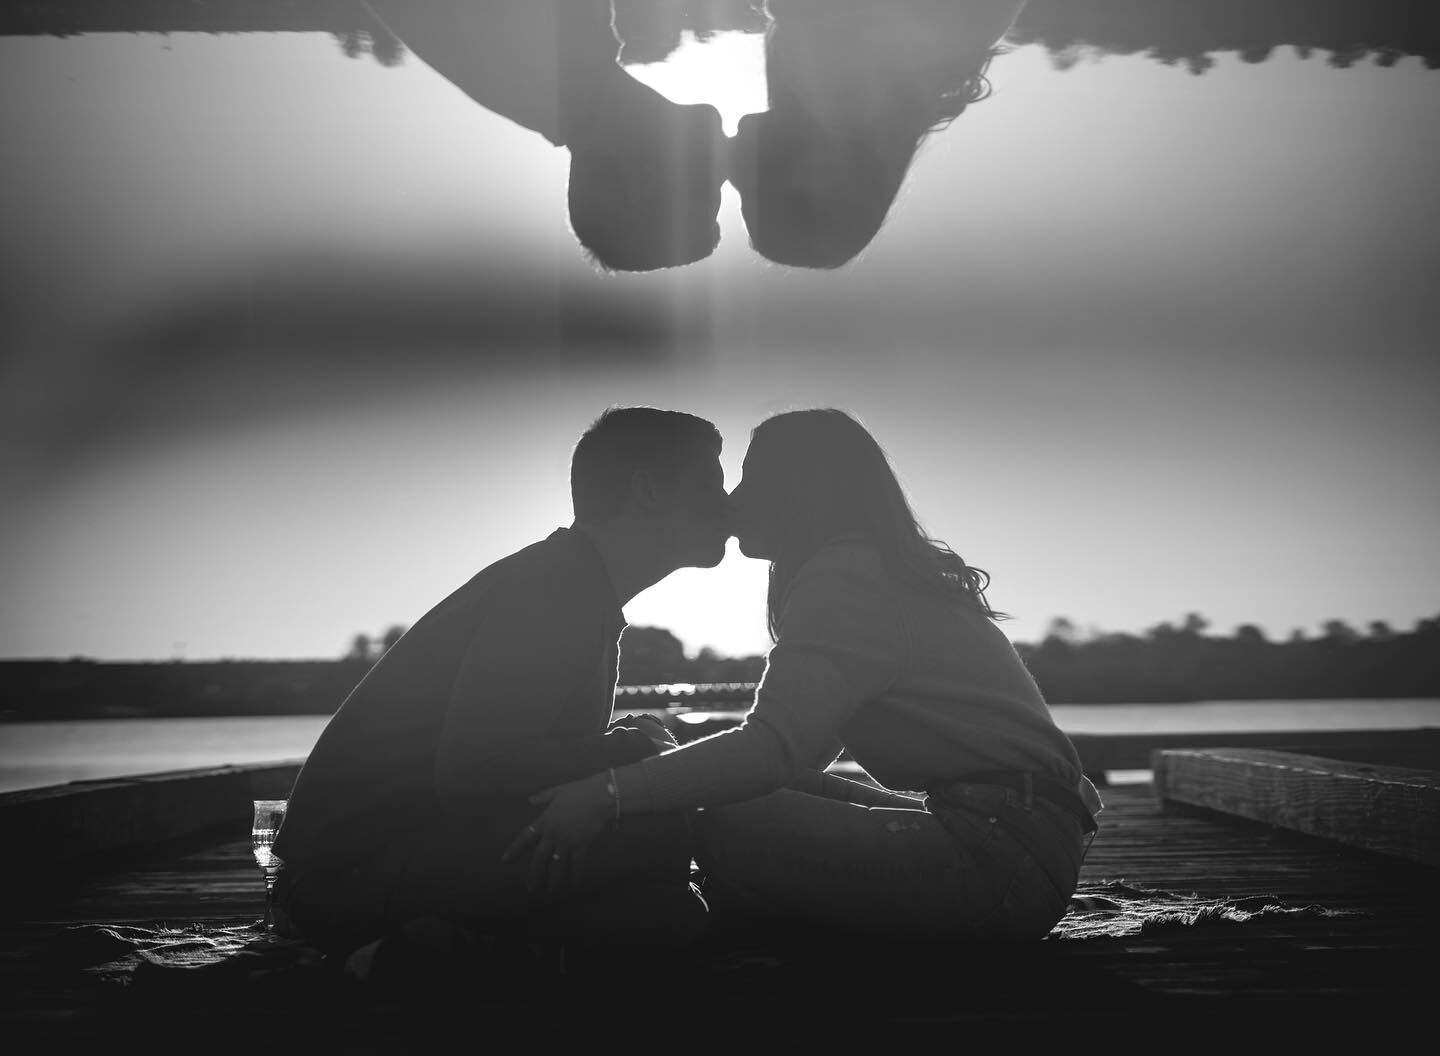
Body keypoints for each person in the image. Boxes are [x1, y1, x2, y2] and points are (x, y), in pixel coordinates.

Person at [509, 408, 1102, 942]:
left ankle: (557, 926)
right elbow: (799, 747)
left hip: (997, 859)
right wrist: (677, 762)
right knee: (714, 787)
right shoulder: (865, 568)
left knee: (706, 809)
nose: (732, 500)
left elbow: (771, 749)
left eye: (750, 479)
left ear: (799, 493)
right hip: (1022, 841)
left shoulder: (846, 577)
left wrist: (607, 794)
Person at [272, 407, 730, 959]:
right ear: (647, 492)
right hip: (345, 880)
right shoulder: (554, 590)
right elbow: (471, 775)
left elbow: (522, 759)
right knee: (662, 832)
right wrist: (629, 750)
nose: (727, 505)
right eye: (710, 483)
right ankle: (414, 955)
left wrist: (623, 751)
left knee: (668, 914)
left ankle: (444, 952)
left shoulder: (574, 580)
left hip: (402, 858)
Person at [363, 0, 727, 271]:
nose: (723, 172)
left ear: (646, 182)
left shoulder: (533, 65)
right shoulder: (566, 71)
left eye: (707, 187)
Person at [728, 0, 1027, 268]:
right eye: (752, 193)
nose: (734, 175)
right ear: (821, 177)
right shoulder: (837, 67)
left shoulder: (957, 46)